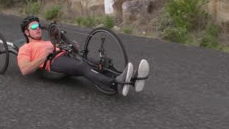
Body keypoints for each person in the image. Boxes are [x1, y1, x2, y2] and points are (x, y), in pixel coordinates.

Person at [17, 15, 150, 96]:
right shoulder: (25, 48)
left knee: (101, 63)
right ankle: (114, 84)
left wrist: (73, 47)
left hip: (67, 55)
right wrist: (43, 56)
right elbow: (24, 69)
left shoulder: (47, 41)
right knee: (82, 66)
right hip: (53, 61)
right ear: (26, 32)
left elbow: (68, 46)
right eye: (33, 26)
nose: (38, 28)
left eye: (38, 25)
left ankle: (131, 79)